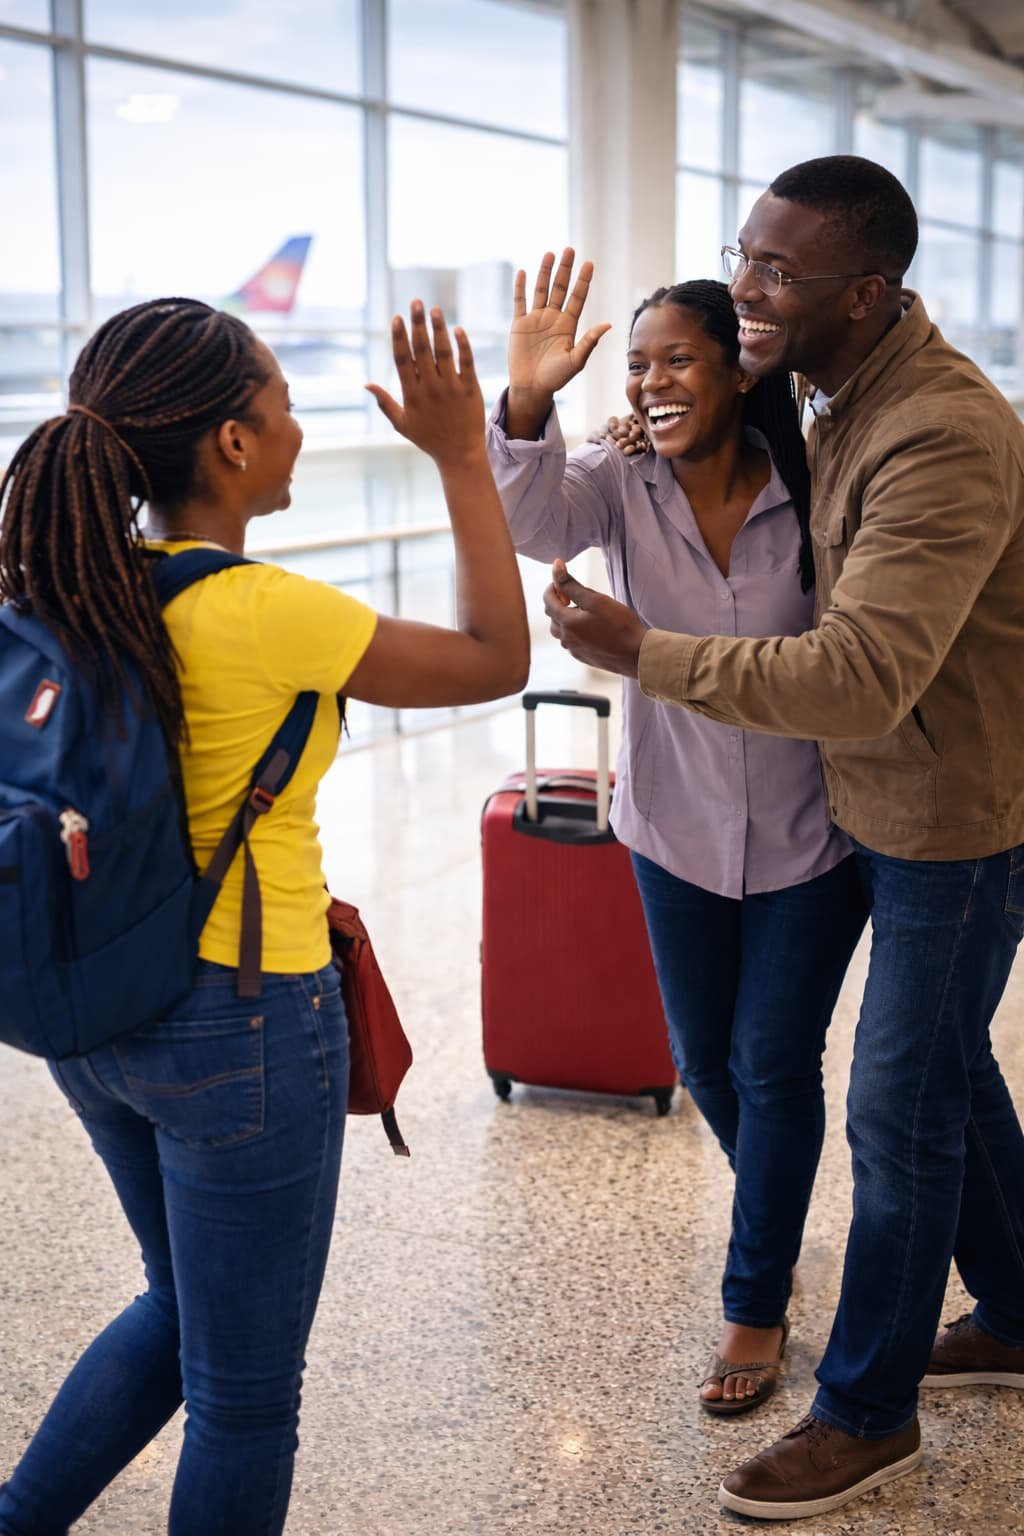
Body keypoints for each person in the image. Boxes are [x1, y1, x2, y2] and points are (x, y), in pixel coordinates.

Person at [540, 156, 1024, 1521]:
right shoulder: (830, 391)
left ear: (864, 296)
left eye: (773, 273)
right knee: (948, 1076)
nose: (742, 288)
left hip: (952, 820)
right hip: (870, 799)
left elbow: (863, 674)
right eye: (740, 257)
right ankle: (1020, 1305)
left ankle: (868, 1413)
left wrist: (643, 647)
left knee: (900, 1106)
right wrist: (659, 408)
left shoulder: (938, 429)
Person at [0, 296, 528, 1535]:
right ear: (231, 445)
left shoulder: (72, 589)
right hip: (240, 1022)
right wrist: (461, 454)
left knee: (177, 1306)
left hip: (93, 1016)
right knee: (244, 1398)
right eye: (283, 406)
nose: (295, 429)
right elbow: (496, 656)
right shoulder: (258, 609)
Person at [486, 251, 867, 1415]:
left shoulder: (812, 488)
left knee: (772, 1062)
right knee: (707, 1065)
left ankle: (754, 1300)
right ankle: (779, 1217)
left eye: (678, 360)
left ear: (740, 373)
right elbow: (528, 513)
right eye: (639, 363)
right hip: (671, 830)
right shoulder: (616, 478)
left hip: (815, 836)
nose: (652, 381)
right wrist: (528, 398)